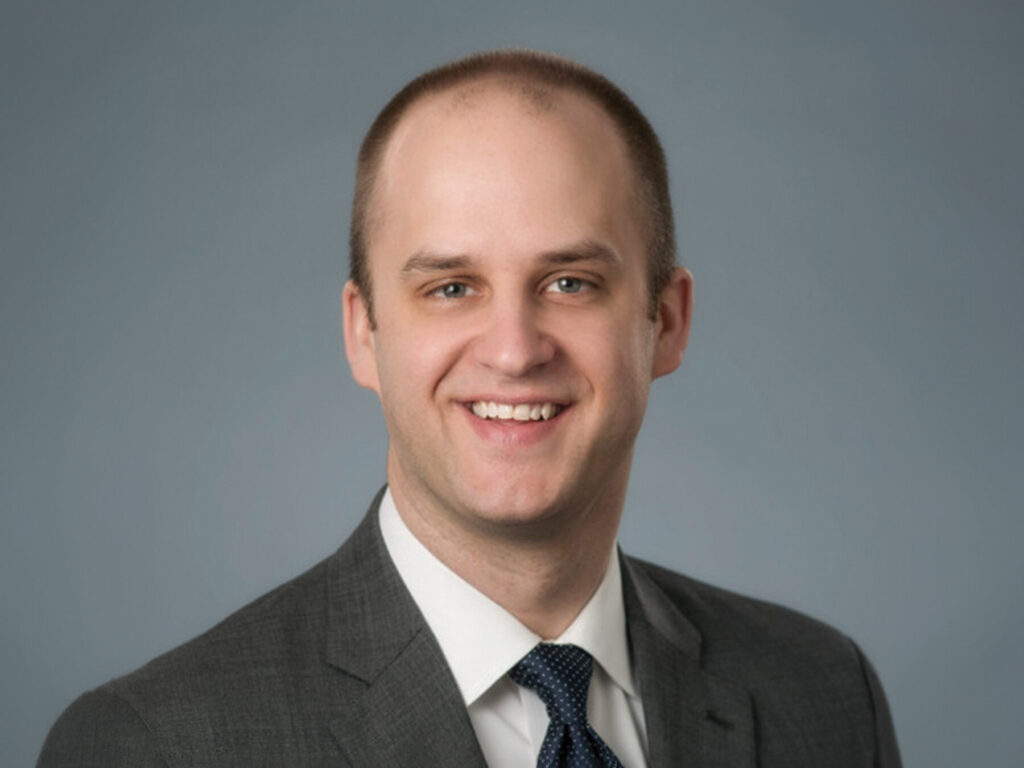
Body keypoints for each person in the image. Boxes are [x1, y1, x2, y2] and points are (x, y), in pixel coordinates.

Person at [38, 50, 901, 767]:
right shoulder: (156, 744)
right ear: (364, 334)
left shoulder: (822, 694)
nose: (515, 350)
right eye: (451, 287)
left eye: (570, 283)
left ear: (666, 323)